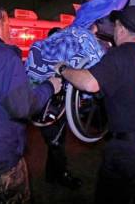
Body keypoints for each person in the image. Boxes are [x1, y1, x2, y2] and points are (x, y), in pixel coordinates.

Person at [55, 6, 135, 204]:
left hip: (131, 148)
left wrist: (64, 69)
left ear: (122, 28)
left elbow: (90, 83)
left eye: (115, 25)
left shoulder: (118, 55)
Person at [0, 5, 62, 204]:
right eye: (8, 24)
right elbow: (22, 107)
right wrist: (50, 87)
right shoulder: (3, 56)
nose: (10, 30)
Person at [35, 27, 83, 190]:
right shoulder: (41, 63)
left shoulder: (63, 63)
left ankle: (51, 175)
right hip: (46, 113)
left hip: (58, 111)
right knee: (56, 145)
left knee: (56, 143)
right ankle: (62, 175)